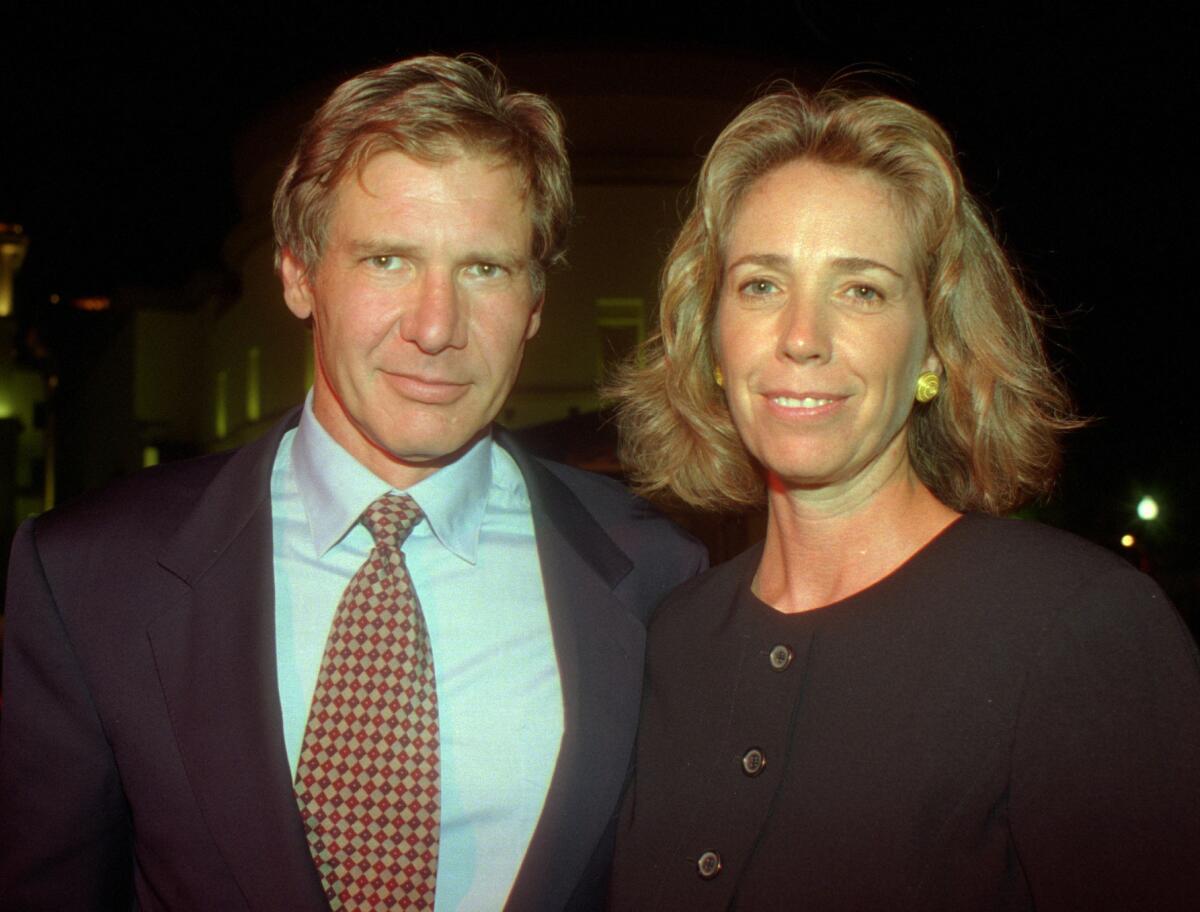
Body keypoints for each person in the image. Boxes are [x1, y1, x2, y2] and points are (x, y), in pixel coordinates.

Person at [0, 55, 705, 911]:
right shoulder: (89, 576)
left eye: (484, 268)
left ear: (534, 302)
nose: (437, 326)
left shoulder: (660, 573)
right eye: (387, 260)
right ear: (299, 274)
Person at [607, 85, 1200, 910]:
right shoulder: (672, 637)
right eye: (760, 285)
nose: (802, 337)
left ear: (934, 349)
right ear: (711, 340)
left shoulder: (1078, 629)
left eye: (862, 290)